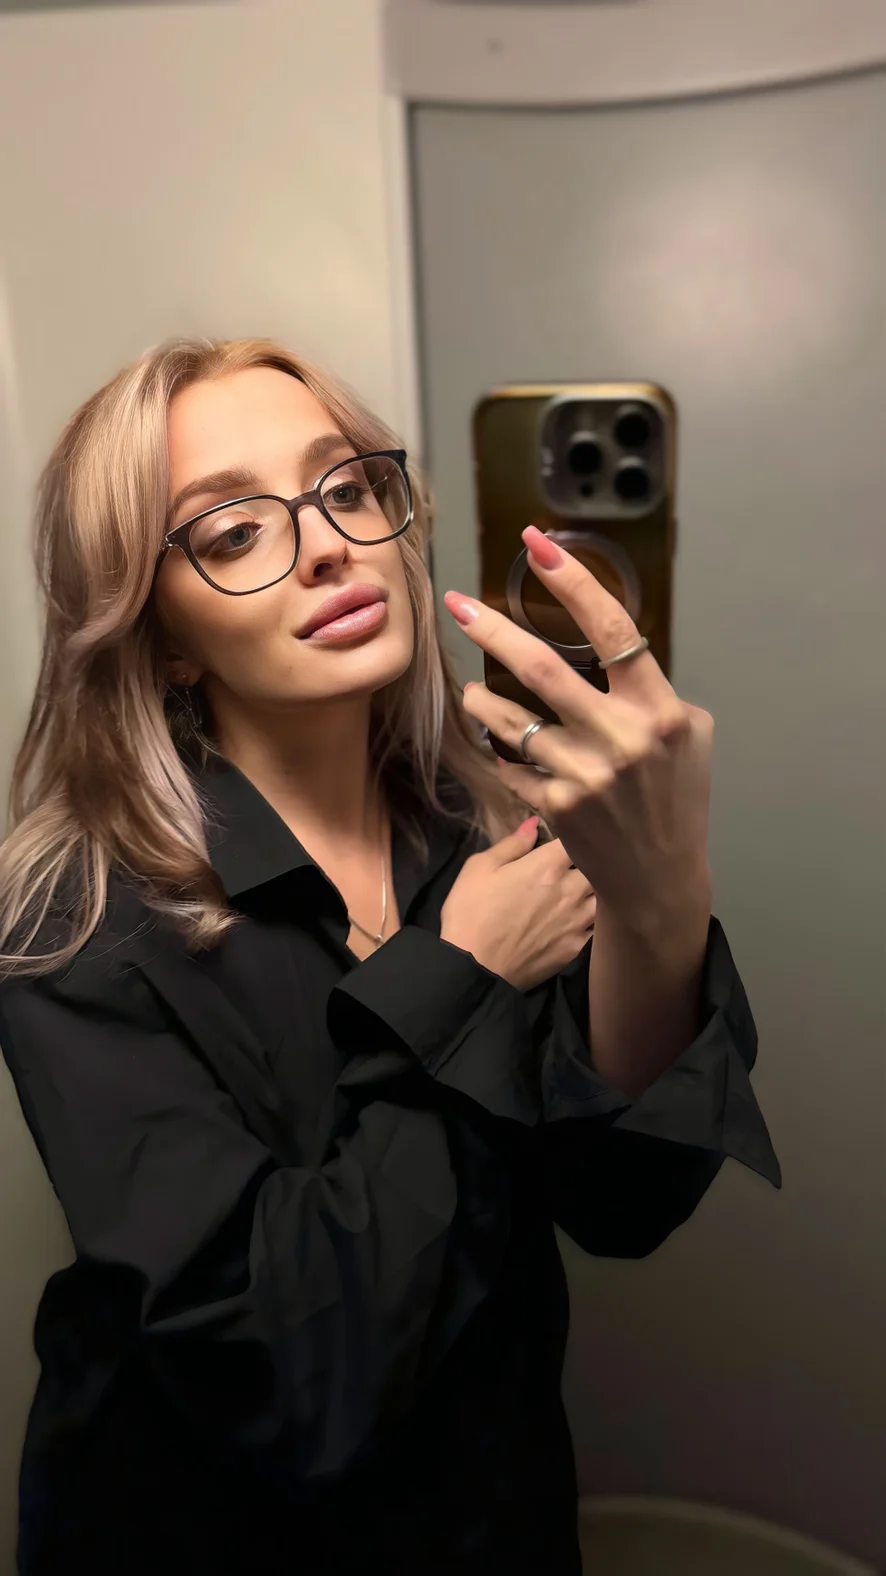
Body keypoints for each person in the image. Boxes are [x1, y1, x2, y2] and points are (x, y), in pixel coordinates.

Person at [0, 337, 779, 1576]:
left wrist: (661, 890)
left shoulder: (483, 827)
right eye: (233, 531)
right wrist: (461, 978)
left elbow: (623, 1198)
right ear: (163, 637)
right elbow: (291, 1371)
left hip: (490, 1508)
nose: (327, 544)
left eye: (347, 487)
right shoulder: (76, 919)